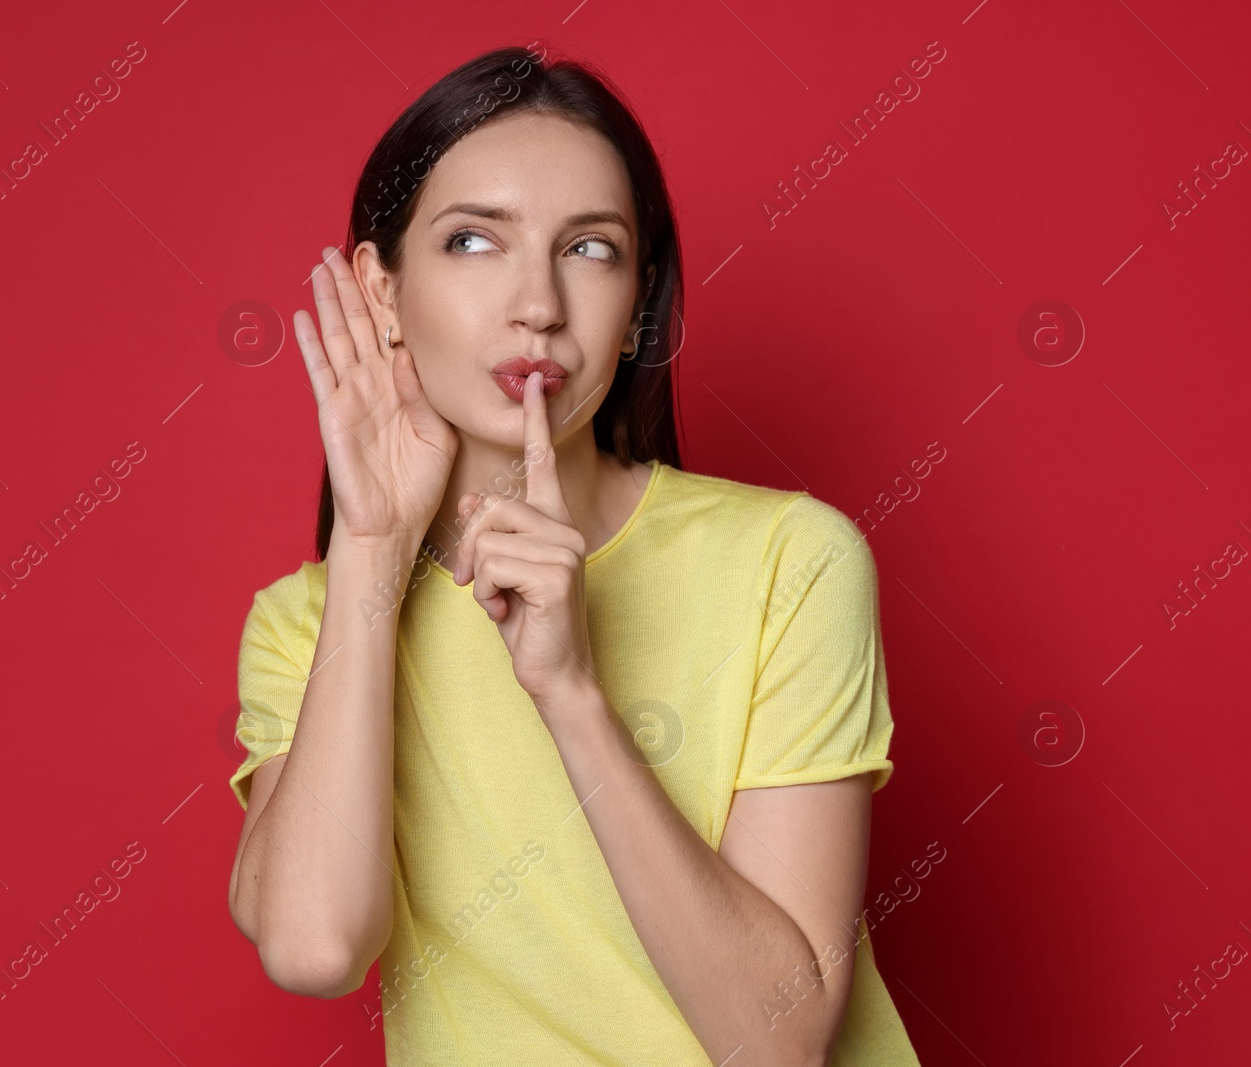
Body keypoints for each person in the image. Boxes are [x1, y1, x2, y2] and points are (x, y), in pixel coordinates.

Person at [227, 42, 921, 1066]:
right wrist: (373, 553)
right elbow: (316, 945)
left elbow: (778, 1043)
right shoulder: (308, 623)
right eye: (472, 241)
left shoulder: (792, 560)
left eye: (589, 249)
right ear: (380, 293)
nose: (538, 304)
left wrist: (570, 691)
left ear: (639, 302)